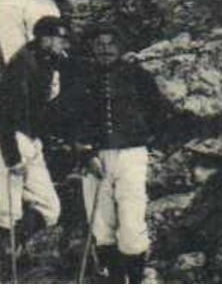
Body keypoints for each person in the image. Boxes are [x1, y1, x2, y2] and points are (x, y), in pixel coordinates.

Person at [57, 24, 165, 284]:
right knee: (102, 226)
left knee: (131, 224)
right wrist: (85, 154)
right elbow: (69, 120)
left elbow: (159, 112)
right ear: (92, 48)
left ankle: (136, 282)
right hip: (93, 159)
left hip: (131, 156)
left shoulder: (138, 76)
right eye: (99, 44)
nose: (105, 48)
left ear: (120, 46)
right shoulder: (79, 78)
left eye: (111, 43)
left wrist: (151, 141)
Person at [0, 16, 71, 263]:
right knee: (7, 209)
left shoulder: (49, 62)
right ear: (43, 39)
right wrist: (12, 158)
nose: (63, 44)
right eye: (58, 38)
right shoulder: (22, 64)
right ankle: (1, 261)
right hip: (7, 136)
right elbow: (4, 115)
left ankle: (20, 247)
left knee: (50, 208)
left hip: (31, 139)